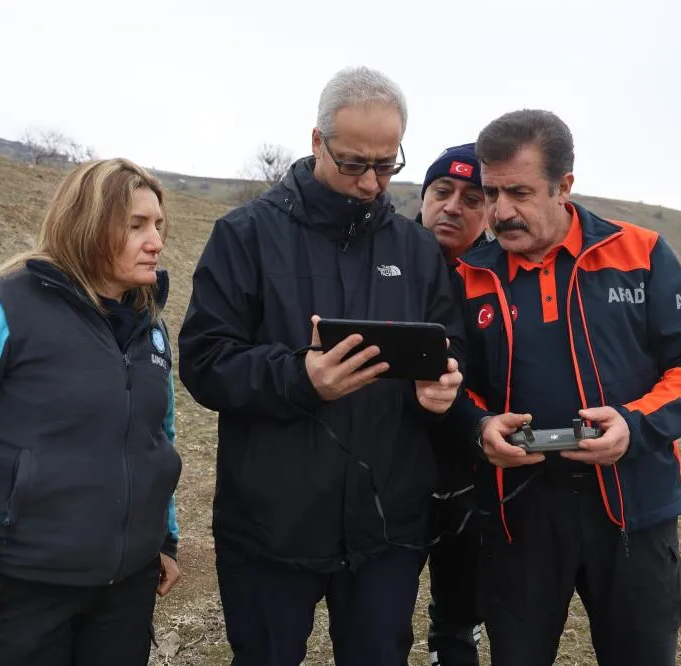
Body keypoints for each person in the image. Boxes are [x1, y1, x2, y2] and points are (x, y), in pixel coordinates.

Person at [177, 65, 465, 666]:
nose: (371, 182)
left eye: (386, 165)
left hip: (386, 527)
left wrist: (442, 388)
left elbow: (448, 348)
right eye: (354, 163)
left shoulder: (417, 250)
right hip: (270, 526)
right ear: (317, 142)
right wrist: (298, 377)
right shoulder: (246, 235)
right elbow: (204, 361)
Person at [445, 109, 681, 666]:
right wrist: (479, 428)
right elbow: (450, 385)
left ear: (564, 186)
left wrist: (635, 424)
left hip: (633, 509)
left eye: (519, 192)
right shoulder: (468, 275)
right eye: (492, 192)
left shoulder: (640, 253)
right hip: (519, 514)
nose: (500, 212)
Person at [0, 158, 184, 666]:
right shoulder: (2, 309)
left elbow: (156, 437)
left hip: (126, 589)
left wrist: (164, 537)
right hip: (23, 586)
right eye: (136, 225)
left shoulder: (150, 324)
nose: (156, 242)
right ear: (86, 225)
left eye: (158, 225)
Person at [415, 143, 489, 666]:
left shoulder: (499, 276)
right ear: (423, 197)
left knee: (460, 618)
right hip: (393, 468)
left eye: (472, 198)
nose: (453, 207)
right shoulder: (384, 259)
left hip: (471, 474)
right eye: (443, 191)